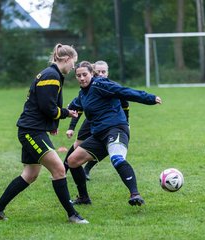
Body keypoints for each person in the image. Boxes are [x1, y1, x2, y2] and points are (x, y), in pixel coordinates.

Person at [0, 44, 88, 224]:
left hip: (33, 129)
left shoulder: (51, 74)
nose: (73, 67)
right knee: (58, 170)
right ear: (65, 59)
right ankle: (72, 214)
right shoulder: (52, 76)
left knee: (30, 174)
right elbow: (47, 107)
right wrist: (66, 113)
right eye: (73, 62)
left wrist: (52, 123)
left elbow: (44, 105)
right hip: (31, 132)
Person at [67, 61, 162, 206]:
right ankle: (84, 198)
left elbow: (123, 92)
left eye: (84, 74)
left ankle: (135, 194)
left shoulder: (100, 84)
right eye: (78, 75)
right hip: (98, 135)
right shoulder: (82, 94)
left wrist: (148, 98)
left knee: (117, 159)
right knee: (72, 161)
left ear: (92, 74)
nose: (81, 78)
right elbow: (72, 107)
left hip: (116, 128)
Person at [64, 60, 129, 180]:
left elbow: (125, 104)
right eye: (98, 71)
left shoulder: (112, 86)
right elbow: (78, 108)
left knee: (108, 145)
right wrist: (71, 128)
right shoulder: (89, 87)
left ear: (107, 73)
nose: (101, 74)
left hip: (109, 122)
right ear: (93, 72)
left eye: (103, 72)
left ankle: (87, 169)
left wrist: (127, 122)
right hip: (91, 121)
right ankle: (64, 168)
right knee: (78, 144)